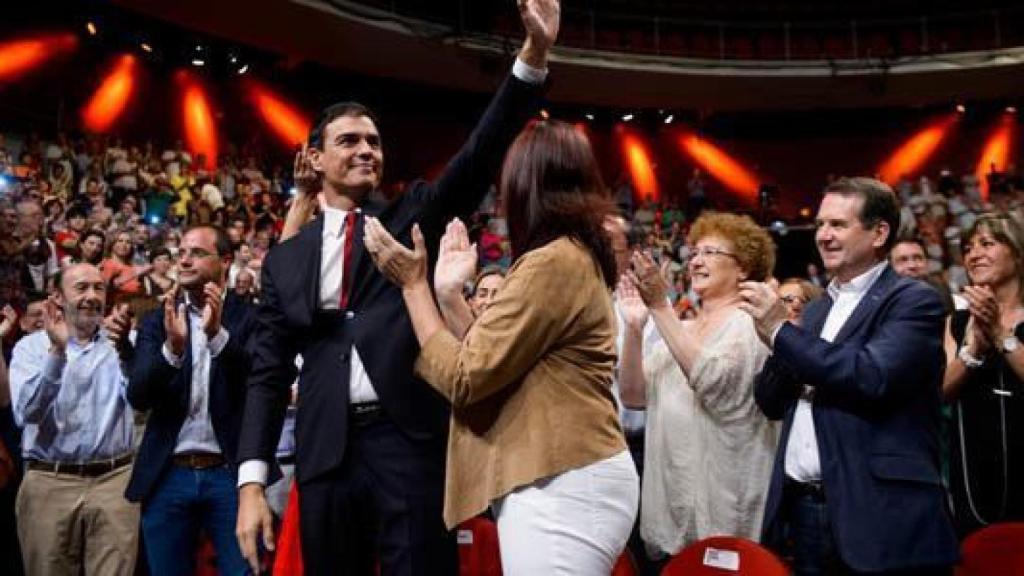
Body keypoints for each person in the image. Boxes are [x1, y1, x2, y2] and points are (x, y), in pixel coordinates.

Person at [234, 2, 558, 573]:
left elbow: (478, 156)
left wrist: (530, 59)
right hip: (324, 455)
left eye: (375, 142)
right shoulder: (286, 260)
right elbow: (267, 372)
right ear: (315, 157)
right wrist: (252, 482)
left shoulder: (413, 214)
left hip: (408, 444)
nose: (366, 150)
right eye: (350, 141)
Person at [363, 119, 638, 575]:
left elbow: (466, 378)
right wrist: (450, 296)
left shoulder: (551, 262)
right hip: (568, 475)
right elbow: (500, 364)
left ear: (523, 187)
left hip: (561, 479)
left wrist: (413, 286)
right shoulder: (571, 256)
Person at [738, 177, 959, 574]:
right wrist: (774, 337)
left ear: (879, 233)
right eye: (821, 224)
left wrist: (782, 331)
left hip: (881, 514)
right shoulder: (819, 308)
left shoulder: (913, 301)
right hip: (805, 512)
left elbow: (870, 375)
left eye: (838, 225)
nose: (823, 235)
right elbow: (770, 402)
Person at [618, 212, 779, 559]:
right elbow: (633, 395)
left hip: (726, 509)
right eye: (694, 252)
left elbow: (714, 383)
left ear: (744, 269)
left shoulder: (752, 326)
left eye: (711, 252)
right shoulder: (684, 329)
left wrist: (661, 307)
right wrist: (634, 328)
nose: (696, 260)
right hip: (672, 512)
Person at [126, 226, 256, 575]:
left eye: (196, 252)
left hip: (231, 474)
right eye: (180, 251)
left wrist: (218, 338)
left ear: (225, 262)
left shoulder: (250, 316)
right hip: (169, 473)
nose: (183, 259)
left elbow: (258, 383)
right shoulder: (158, 320)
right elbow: (138, 395)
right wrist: (173, 351)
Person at [8, 263, 139, 575]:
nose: (92, 296)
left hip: (115, 481)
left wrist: (127, 351)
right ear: (57, 297)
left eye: (99, 288)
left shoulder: (124, 342)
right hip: (49, 481)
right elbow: (26, 414)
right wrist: (57, 352)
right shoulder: (30, 347)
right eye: (81, 288)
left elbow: (144, 402)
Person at [941, 213, 1024, 537]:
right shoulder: (957, 322)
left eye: (987, 244)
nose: (974, 254)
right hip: (974, 476)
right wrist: (973, 349)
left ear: (1016, 252)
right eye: (968, 247)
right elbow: (942, 391)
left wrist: (1001, 334)